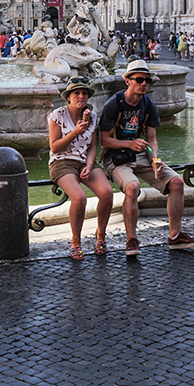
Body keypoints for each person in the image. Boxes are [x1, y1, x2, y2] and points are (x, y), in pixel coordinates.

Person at [99, 60, 194, 254]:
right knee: (132, 187)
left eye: (147, 80)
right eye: (139, 79)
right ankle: (132, 240)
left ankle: (175, 236)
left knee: (177, 183)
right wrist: (129, 143)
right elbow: (104, 141)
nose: (144, 84)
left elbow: (152, 139)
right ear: (127, 81)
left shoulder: (149, 105)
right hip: (116, 158)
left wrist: (155, 159)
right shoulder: (114, 104)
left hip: (140, 155)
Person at [47, 77, 113, 260]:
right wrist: (75, 132)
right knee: (79, 197)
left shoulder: (91, 116)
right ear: (68, 97)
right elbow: (54, 147)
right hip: (62, 162)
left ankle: (100, 235)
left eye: (84, 93)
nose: (81, 96)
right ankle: (75, 241)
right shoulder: (57, 115)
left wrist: (90, 164)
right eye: (76, 93)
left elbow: (93, 146)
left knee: (107, 192)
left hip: (85, 160)